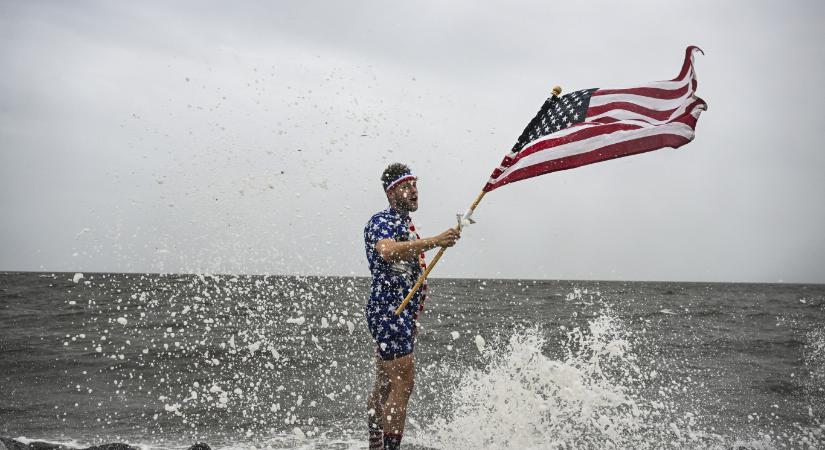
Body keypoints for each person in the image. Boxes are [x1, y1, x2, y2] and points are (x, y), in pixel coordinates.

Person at [363, 163, 460, 450]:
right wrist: (435, 241)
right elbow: (387, 250)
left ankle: (374, 445)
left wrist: (438, 243)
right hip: (389, 311)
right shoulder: (382, 220)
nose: (414, 190)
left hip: (398, 314)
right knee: (403, 384)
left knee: (384, 384)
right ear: (391, 193)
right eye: (406, 186)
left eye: (415, 184)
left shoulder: (404, 224)